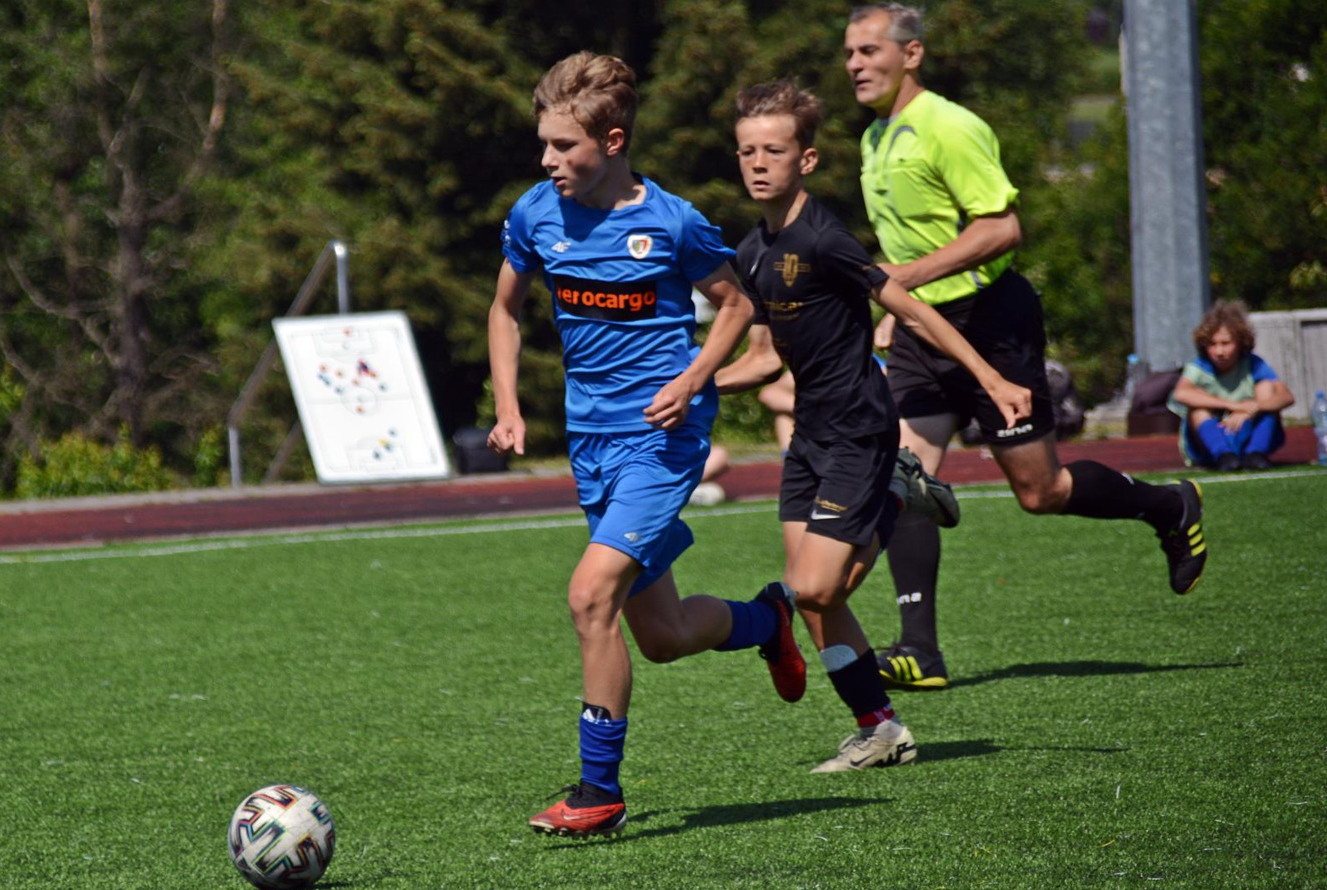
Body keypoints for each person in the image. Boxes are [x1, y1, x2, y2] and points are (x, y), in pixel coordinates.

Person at [487, 52, 809, 840]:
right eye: (544, 143)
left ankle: (598, 793)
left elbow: (737, 307)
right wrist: (508, 406)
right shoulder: (534, 214)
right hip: (590, 443)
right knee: (662, 638)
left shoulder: (671, 222)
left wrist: (695, 379)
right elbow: (504, 310)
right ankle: (766, 620)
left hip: (662, 442)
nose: (547, 159)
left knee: (589, 596)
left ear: (613, 141)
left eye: (563, 145)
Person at [843, 4, 1210, 689]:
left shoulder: (950, 126)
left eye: (869, 51)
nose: (855, 65)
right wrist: (898, 311)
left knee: (1041, 492)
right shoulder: (874, 137)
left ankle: (1168, 505)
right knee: (904, 475)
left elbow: (1002, 229)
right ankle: (920, 651)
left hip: (991, 323)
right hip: (925, 333)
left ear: (912, 54)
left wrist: (904, 280)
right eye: (850, 54)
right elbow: (907, 244)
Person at [715, 80, 1031, 770]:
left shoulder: (825, 240)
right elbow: (763, 361)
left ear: (806, 159)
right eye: (747, 151)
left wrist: (993, 379)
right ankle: (881, 730)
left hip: (860, 432)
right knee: (813, 601)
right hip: (809, 438)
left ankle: (895, 491)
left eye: (774, 150)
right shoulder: (752, 252)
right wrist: (688, 387)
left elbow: (913, 311)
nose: (758, 163)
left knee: (814, 589)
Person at [1168, 300, 1294, 471]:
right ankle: (1223, 456)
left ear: (1240, 342)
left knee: (1266, 388)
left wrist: (1254, 407)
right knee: (1197, 409)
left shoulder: (1253, 364)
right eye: (1212, 344)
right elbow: (1181, 393)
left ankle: (1256, 453)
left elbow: (1286, 396)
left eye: (1225, 343)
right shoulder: (1199, 367)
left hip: (1245, 428)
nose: (1219, 352)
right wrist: (1235, 406)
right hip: (1211, 439)